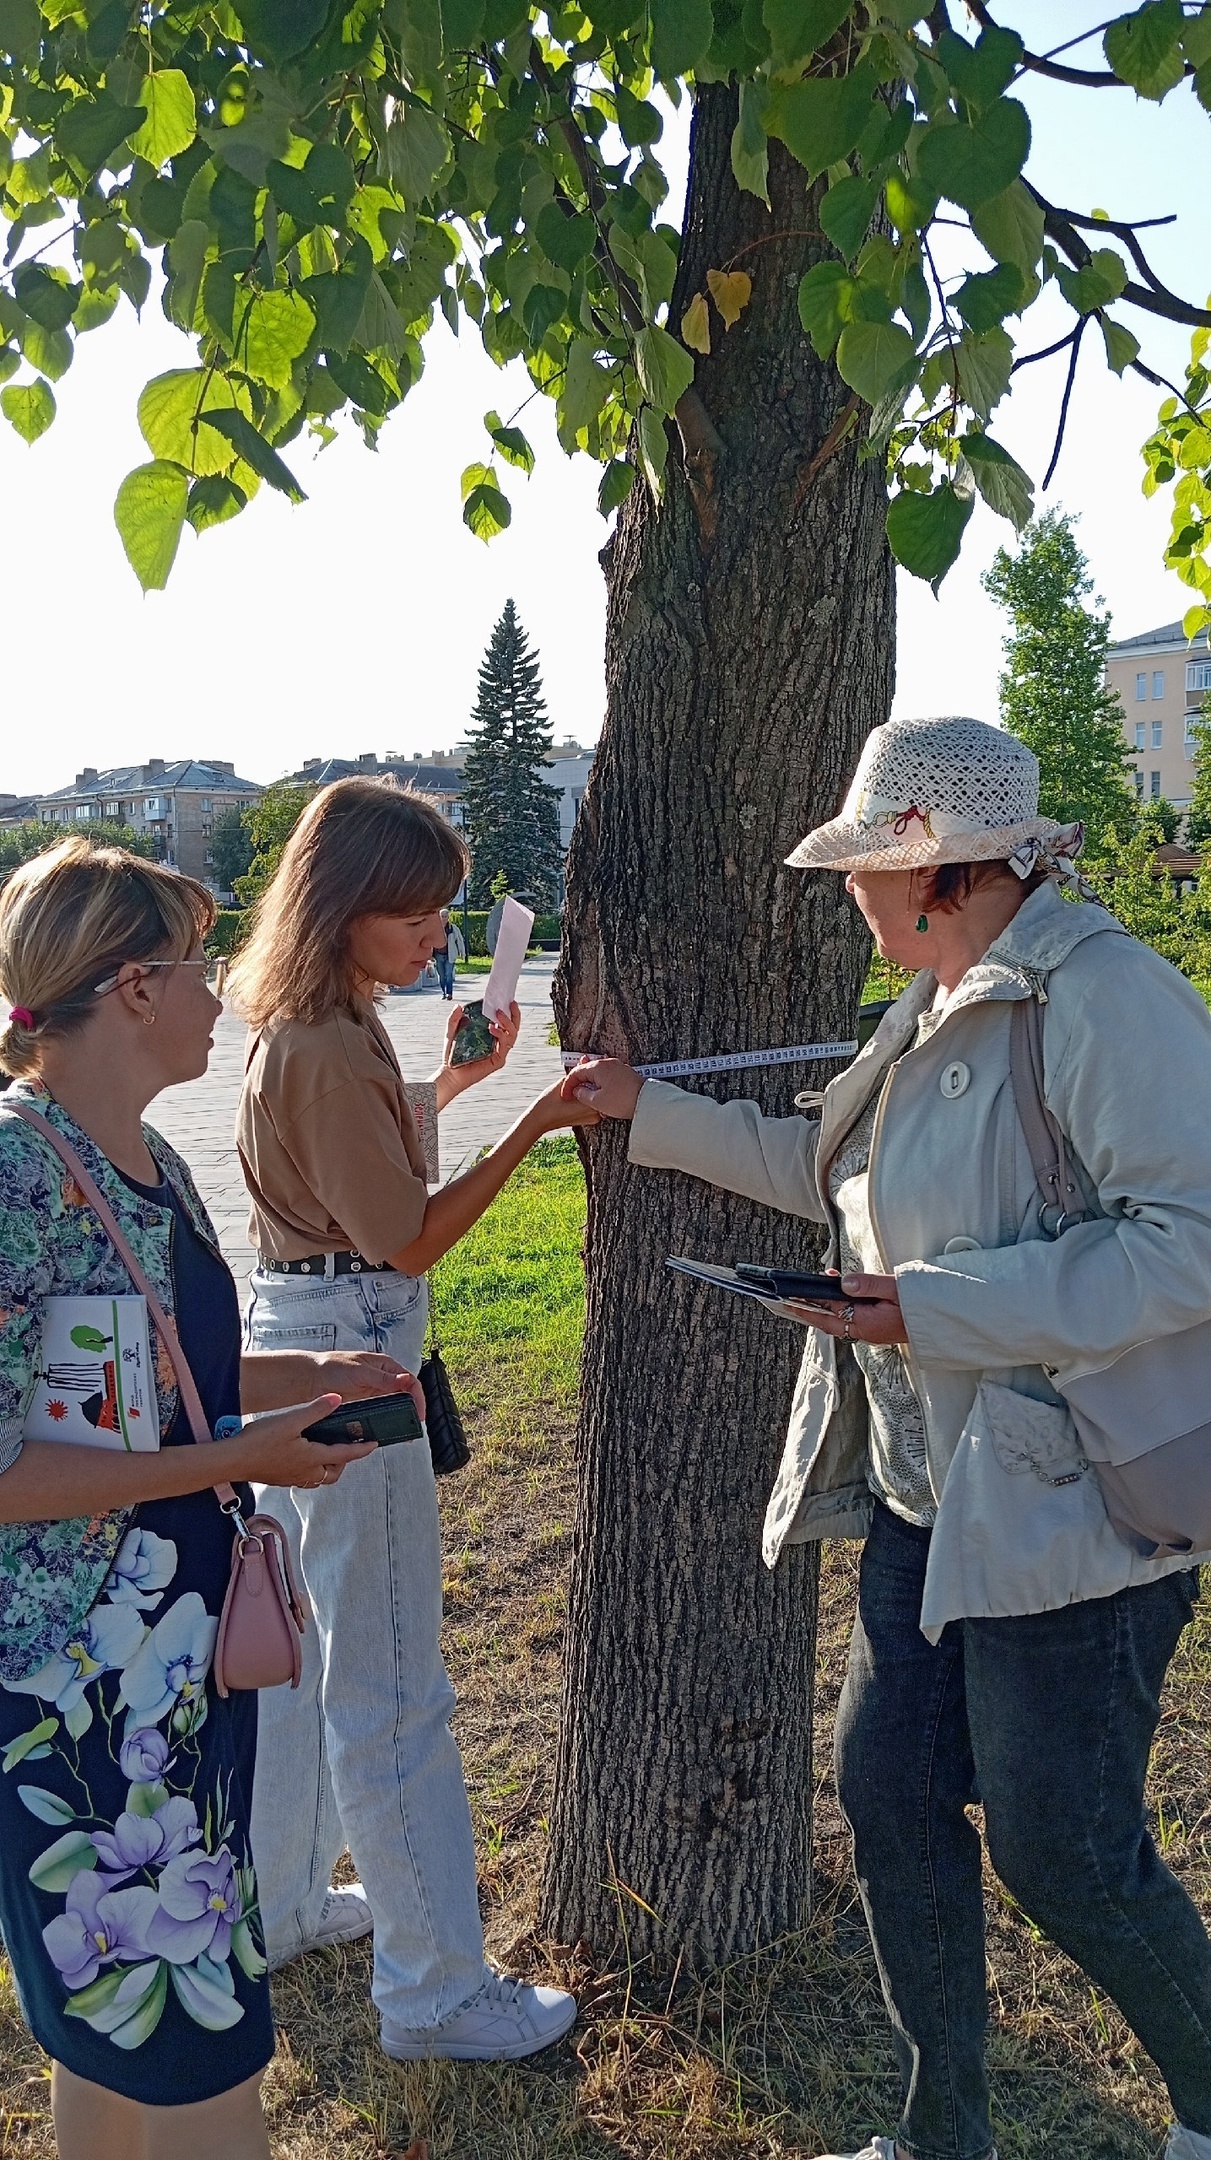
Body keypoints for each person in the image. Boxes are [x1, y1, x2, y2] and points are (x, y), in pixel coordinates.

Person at [564, 715, 1211, 2160]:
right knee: (888, 1796)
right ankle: (941, 2138)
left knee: (1067, 1856)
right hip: (928, 1506)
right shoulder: (936, 993)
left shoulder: (1098, 998)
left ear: (934, 865)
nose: (845, 888)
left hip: (1070, 1515)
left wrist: (934, 1307)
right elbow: (831, 1178)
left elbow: (1189, 1244)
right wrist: (642, 1110)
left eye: (864, 862)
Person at [0, 839, 416, 2160]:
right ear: (129, 989)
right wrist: (238, 1460)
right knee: (185, 2033)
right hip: (82, 1696)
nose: (220, 992)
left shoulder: (131, 1156)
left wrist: (313, 1373)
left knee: (124, 2025)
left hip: (163, 1687)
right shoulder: (19, 1176)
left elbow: (151, 1370)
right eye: (195, 966)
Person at [229, 776, 598, 2063]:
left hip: (299, 1327)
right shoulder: (328, 1043)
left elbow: (360, 1193)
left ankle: (277, 1901)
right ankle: (436, 1990)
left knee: (310, 1655)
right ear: (344, 909)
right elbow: (402, 1234)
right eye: (418, 917)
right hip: (351, 1350)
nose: (439, 938)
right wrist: (538, 1121)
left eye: (446, 915)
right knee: (388, 1676)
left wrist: (455, 1093)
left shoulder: (317, 1021)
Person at [434, 908, 466, 1000]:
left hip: (450, 955)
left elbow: (459, 940)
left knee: (449, 974)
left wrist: (462, 953)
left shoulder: (453, 928)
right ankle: (443, 992)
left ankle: (449, 993)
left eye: (445, 916)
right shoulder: (435, 929)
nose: (443, 918)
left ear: (448, 917)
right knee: (441, 975)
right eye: (442, 916)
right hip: (438, 955)